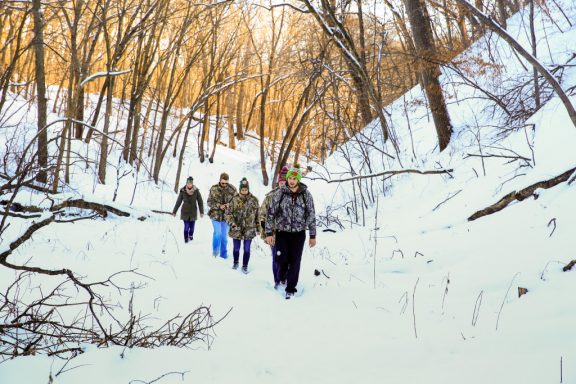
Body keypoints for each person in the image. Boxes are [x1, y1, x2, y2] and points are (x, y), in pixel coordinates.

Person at [265, 165, 317, 299]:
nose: (292, 181)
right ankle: (282, 277)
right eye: (290, 178)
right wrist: (269, 233)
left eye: (294, 178)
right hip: (282, 232)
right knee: (281, 259)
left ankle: (291, 288)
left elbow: (311, 215)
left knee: (295, 261)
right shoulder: (280, 193)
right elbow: (270, 213)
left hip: (298, 234)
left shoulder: (306, 195)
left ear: (298, 179)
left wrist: (312, 235)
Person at [259, 165, 289, 288]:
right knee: (276, 258)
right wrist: (266, 233)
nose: (282, 184)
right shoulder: (271, 196)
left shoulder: (293, 196)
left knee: (287, 258)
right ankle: (277, 280)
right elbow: (262, 214)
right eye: (280, 182)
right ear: (278, 183)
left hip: (288, 234)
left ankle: (284, 278)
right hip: (274, 234)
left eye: (284, 182)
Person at [226, 177, 260, 273]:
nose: (244, 191)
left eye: (246, 189)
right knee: (236, 248)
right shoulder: (234, 200)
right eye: (242, 189)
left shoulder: (254, 200)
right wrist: (232, 223)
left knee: (247, 249)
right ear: (240, 189)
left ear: (248, 189)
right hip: (236, 228)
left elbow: (258, 214)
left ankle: (245, 266)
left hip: (249, 229)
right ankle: (236, 262)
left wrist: (258, 228)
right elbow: (228, 214)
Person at [207, 172, 237, 258]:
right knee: (217, 233)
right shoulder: (214, 189)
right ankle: (215, 252)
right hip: (215, 215)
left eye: (226, 183)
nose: (224, 184)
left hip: (226, 217)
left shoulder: (233, 189)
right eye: (222, 182)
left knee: (224, 237)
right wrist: (219, 206)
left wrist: (229, 205)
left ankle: (223, 255)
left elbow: (237, 202)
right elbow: (209, 202)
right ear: (219, 180)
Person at [172, 176, 204, 243]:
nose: (189, 184)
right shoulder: (182, 191)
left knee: (192, 228)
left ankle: (191, 235)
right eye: (188, 183)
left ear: (192, 184)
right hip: (185, 212)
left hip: (193, 212)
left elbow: (200, 202)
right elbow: (178, 202)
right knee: (186, 227)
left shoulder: (196, 191)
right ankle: (186, 238)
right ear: (186, 183)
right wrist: (174, 211)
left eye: (190, 183)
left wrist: (201, 212)